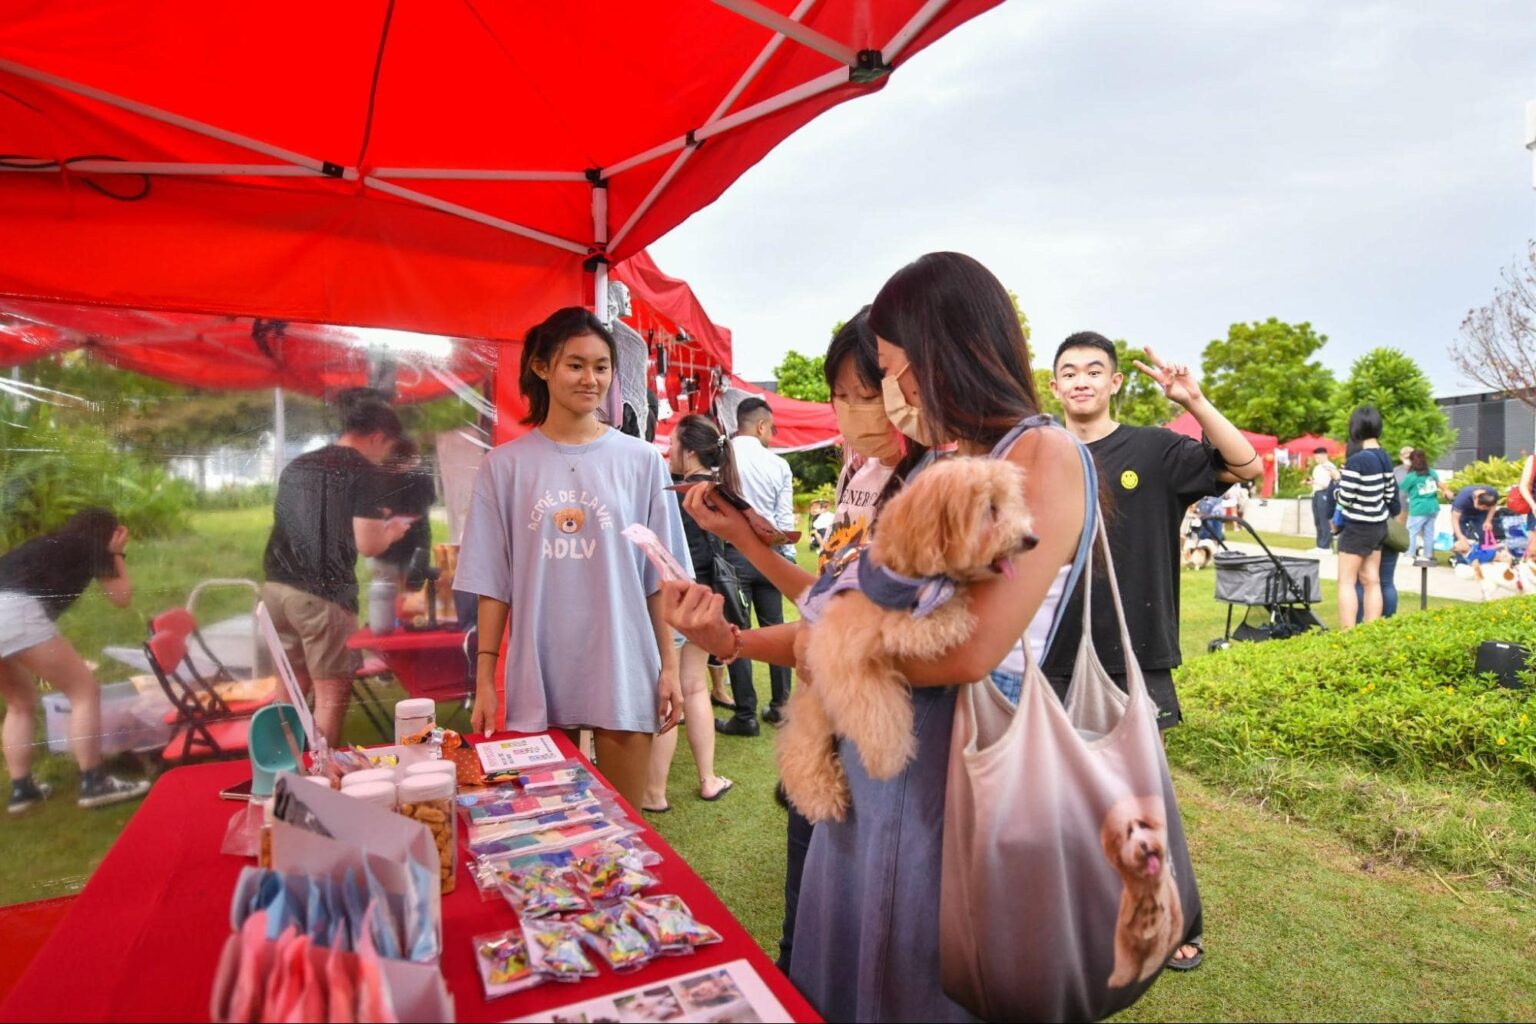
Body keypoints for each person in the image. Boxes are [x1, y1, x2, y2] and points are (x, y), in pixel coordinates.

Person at [664, 252, 1088, 1021]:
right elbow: (845, 608)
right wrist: (759, 630)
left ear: (941, 351)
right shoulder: (950, 462)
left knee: (918, 972)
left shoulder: (1040, 452)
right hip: (876, 764)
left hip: (950, 771)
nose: (889, 397)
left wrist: (823, 641)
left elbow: (968, 651)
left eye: (889, 371)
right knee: (851, 963)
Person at [683, 309, 924, 972]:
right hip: (820, 735)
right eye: (839, 397)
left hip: (880, 752)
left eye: (867, 396)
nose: (851, 414)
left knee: (861, 951)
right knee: (802, 941)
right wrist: (739, 538)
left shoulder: (931, 491)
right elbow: (822, 606)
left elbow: (836, 637)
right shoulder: (858, 475)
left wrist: (731, 641)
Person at [1043, 330, 1258, 973]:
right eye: (1069, 372)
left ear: (1114, 383)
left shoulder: (1155, 450)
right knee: (1059, 793)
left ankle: (1173, 919)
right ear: (1055, 387)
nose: (1081, 380)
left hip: (1135, 652)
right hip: (1048, 652)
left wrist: (1193, 400)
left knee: (1143, 795)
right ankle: (1079, 914)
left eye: (1093, 371)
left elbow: (1245, 465)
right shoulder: (1038, 454)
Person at [457, 307, 686, 809]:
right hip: (538, 667)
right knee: (548, 824)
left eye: (602, 367)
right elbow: (493, 582)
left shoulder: (643, 461)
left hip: (624, 661)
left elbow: (659, 579)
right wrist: (485, 681)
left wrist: (670, 667)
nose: (592, 379)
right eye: (576, 365)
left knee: (627, 825)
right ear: (541, 367)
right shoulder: (504, 467)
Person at [262, 388, 415, 747]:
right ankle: (320, 780)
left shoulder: (299, 464)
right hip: (323, 595)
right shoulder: (364, 471)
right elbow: (368, 544)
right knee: (330, 693)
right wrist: (391, 532)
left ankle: (279, 770)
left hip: (275, 589)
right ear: (377, 437)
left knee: (289, 688)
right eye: (387, 447)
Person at [1, 509, 151, 812]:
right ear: (110, 532)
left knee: (20, 701)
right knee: (84, 691)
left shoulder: (51, 543)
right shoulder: (93, 546)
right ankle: (94, 782)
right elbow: (121, 597)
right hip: (16, 613)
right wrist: (117, 553)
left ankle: (22, 790)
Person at [641, 414, 736, 811]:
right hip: (712, 599)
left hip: (679, 601)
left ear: (689, 450)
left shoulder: (676, 492)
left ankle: (655, 792)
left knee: (673, 690)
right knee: (695, 688)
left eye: (675, 444)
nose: (669, 451)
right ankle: (707, 779)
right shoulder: (721, 489)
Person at [716, 397, 796, 737]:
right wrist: (787, 560)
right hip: (772, 557)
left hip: (733, 556)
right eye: (772, 429)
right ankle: (781, 707)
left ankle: (746, 715)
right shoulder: (778, 465)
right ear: (761, 426)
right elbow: (782, 520)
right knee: (775, 627)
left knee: (737, 635)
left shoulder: (722, 457)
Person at [1335, 406, 1397, 629]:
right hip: (1378, 526)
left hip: (1357, 527)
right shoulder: (1385, 458)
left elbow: (1345, 497)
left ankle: (1348, 632)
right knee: (1372, 581)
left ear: (1355, 428)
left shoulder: (1357, 460)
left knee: (1346, 582)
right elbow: (1390, 494)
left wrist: (1338, 486)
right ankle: (1371, 631)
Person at [374, 436, 436, 584]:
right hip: (402, 545)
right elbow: (427, 503)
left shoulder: (381, 477)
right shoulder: (420, 477)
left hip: (407, 545)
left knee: (395, 590)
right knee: (399, 591)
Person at [1400, 449, 1444, 565]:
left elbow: (1402, 488)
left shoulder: (1411, 476)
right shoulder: (1431, 472)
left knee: (1412, 531)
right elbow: (1439, 483)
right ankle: (1428, 554)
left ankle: (1410, 553)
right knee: (1429, 532)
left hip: (1418, 507)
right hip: (1433, 506)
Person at [1451, 483, 1500, 556]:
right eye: (1482, 507)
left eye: (1486, 508)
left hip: (1481, 515)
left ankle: (1484, 557)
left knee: (1485, 533)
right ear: (1476, 500)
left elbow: (1493, 506)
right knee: (1460, 537)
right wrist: (1460, 536)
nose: (1483, 509)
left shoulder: (1492, 494)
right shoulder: (1463, 498)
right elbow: (1455, 519)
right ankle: (1461, 561)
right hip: (1463, 513)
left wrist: (1488, 521)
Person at [1308, 447, 1341, 550]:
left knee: (1324, 520)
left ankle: (1325, 546)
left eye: (1318, 457)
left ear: (1324, 455)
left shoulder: (1329, 467)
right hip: (1316, 493)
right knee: (1317, 520)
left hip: (1325, 493)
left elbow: (1328, 483)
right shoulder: (1317, 468)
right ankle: (1319, 544)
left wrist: (1315, 482)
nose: (1316, 459)